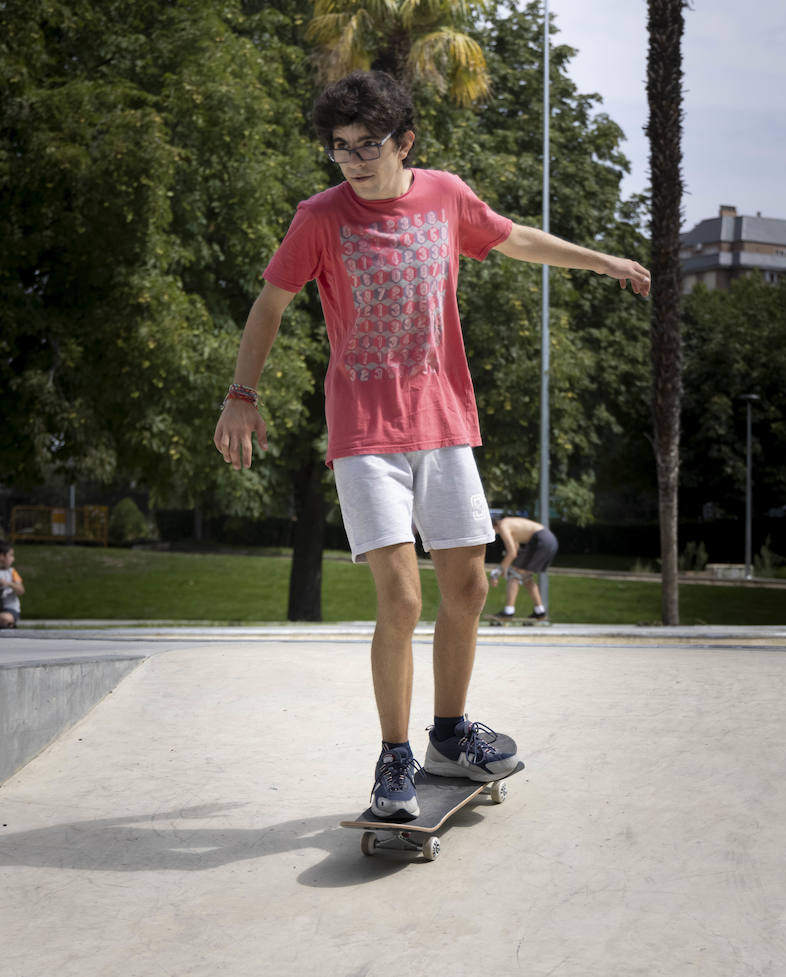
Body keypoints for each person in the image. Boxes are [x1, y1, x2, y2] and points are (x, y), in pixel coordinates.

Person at [212, 71, 649, 819]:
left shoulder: (446, 195)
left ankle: (449, 733)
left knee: (471, 586)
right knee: (402, 596)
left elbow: (516, 239)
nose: (351, 161)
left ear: (404, 141)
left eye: (366, 146)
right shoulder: (319, 217)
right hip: (365, 434)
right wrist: (241, 395)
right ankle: (393, 759)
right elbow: (271, 303)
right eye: (338, 148)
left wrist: (604, 261)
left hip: (444, 423)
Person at [489, 511, 559, 621]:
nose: (496, 534)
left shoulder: (503, 526)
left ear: (493, 525)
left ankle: (508, 612)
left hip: (540, 540)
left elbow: (512, 553)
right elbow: (515, 549)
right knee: (525, 576)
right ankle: (540, 611)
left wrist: (497, 571)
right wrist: (504, 567)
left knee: (514, 574)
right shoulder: (508, 523)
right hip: (549, 540)